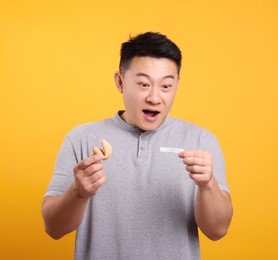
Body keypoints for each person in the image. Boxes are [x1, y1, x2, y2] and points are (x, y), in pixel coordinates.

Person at [41, 32, 233, 260]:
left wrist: (208, 185)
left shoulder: (201, 142)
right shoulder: (81, 139)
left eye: (166, 86)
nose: (154, 97)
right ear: (120, 82)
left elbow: (217, 231)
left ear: (177, 86)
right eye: (143, 84)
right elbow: (53, 228)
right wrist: (78, 193)